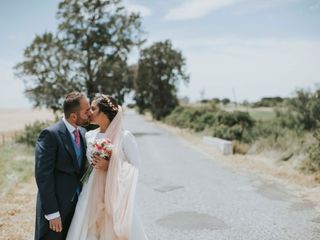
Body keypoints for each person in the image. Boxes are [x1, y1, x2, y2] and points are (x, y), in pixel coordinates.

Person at [66, 94, 148, 240]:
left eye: (93, 108)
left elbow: (135, 167)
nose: (89, 112)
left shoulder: (125, 136)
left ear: (104, 112)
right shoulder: (89, 136)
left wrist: (110, 166)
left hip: (115, 192)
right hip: (90, 192)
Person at [34, 92, 95, 240]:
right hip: (56, 209)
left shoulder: (82, 132)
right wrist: (52, 212)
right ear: (74, 116)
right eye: (86, 111)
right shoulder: (50, 135)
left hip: (77, 207)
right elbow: (43, 176)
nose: (90, 113)